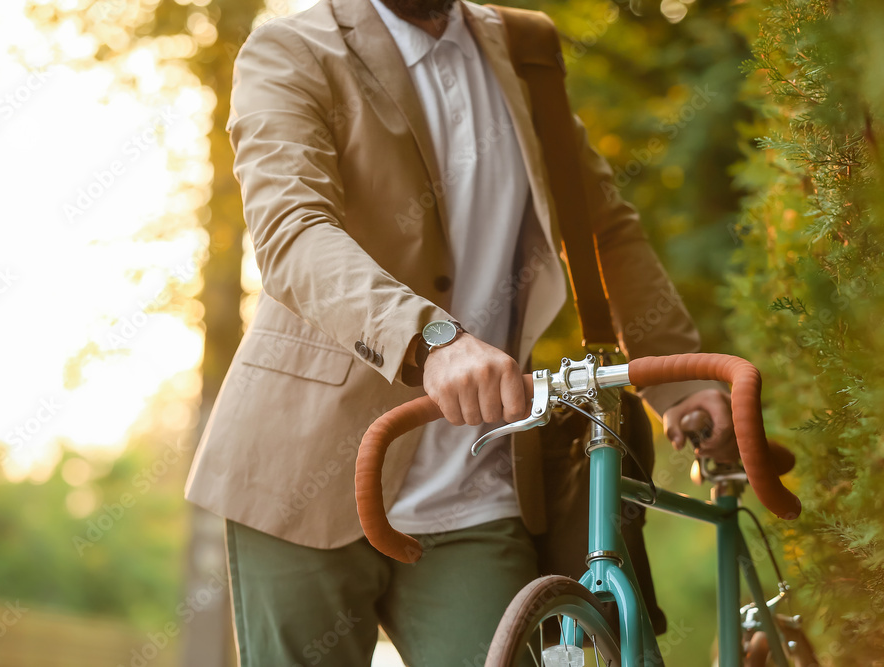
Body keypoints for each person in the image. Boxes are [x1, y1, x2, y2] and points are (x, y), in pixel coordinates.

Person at [185, 0, 734, 664]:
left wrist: (682, 380)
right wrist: (430, 336)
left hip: (477, 480)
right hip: (304, 474)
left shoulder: (525, 51)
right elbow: (292, 232)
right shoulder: (292, 50)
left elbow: (602, 226)